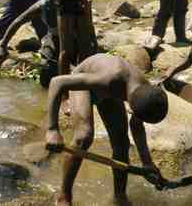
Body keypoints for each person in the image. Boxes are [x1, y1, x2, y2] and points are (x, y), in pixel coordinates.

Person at [45, 54, 170, 206]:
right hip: (84, 82)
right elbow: (57, 82)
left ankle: (120, 196)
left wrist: (147, 164)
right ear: (130, 105)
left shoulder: (146, 91)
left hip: (109, 91)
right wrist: (52, 129)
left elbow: (136, 127)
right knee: (83, 136)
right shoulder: (111, 79)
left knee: (122, 144)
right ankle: (64, 196)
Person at [0, 0, 61, 88]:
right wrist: (3, 45)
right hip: (53, 40)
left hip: (73, 41)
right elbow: (18, 21)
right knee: (46, 74)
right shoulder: (44, 4)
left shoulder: (73, 4)